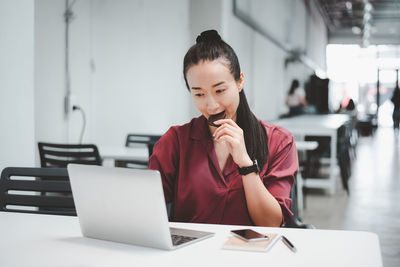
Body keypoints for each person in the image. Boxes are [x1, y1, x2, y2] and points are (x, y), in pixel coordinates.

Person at [148, 30, 298, 227]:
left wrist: (245, 164)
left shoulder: (279, 141)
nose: (212, 106)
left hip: (248, 254)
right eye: (199, 94)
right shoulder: (176, 141)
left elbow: (270, 224)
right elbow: (147, 209)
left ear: (239, 81)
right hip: (188, 255)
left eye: (220, 90)